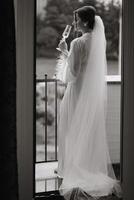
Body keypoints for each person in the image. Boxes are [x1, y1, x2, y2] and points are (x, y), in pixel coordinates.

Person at [56, 6, 122, 199]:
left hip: (77, 93)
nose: (74, 23)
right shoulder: (98, 40)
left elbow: (72, 75)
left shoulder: (77, 42)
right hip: (89, 94)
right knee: (85, 130)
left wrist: (64, 52)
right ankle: (85, 166)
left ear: (84, 21)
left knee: (71, 129)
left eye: (76, 20)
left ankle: (72, 169)